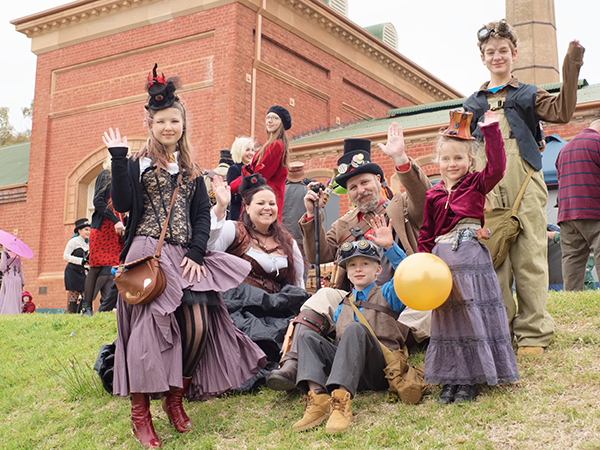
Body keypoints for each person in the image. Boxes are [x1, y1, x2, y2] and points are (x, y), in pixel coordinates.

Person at [105, 64, 266, 449]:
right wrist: (116, 159)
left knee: (199, 325)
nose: (168, 127)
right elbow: (124, 204)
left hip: (186, 256)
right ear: (151, 123)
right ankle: (140, 415)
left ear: (183, 124)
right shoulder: (136, 162)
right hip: (148, 254)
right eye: (161, 121)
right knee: (146, 335)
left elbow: (198, 216)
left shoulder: (192, 170)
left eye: (174, 121)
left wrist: (196, 251)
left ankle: (176, 399)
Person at [266, 124, 431, 392]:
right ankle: (293, 362)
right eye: (353, 187)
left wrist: (401, 160)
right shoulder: (345, 224)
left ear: (379, 181)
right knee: (320, 297)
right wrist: (313, 215)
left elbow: (423, 198)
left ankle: (386, 347)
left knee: (428, 305)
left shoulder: (401, 206)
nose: (360, 190)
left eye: (365, 182)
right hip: (359, 302)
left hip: (402, 297)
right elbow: (317, 254)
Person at [463, 19, 585, 356]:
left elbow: (563, 112)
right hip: (486, 189)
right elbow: (456, 145)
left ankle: (533, 334)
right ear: (483, 58)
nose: (497, 56)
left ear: (514, 53)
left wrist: (571, 64)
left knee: (530, 258)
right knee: (494, 260)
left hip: (525, 186)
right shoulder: (472, 104)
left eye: (503, 51)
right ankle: (500, 333)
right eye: (491, 52)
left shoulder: (530, 94)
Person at [418, 110, 519, 404]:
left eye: (458, 158)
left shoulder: (476, 183)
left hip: (471, 261)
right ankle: (451, 379)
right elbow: (426, 233)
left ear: (470, 160)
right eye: (446, 159)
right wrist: (422, 266)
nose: (452, 164)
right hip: (441, 266)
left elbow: (498, 167)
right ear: (438, 161)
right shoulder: (432, 195)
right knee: (449, 322)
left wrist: (490, 131)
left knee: (472, 317)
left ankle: (472, 379)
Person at [292, 218, 406, 434]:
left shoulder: (389, 293)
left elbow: (410, 274)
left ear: (378, 269)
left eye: (365, 264)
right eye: (352, 265)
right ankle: (318, 399)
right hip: (350, 370)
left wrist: (390, 247)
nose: (358, 269)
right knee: (307, 337)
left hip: (379, 370)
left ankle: (340, 402)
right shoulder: (342, 304)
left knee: (355, 328)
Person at [209, 174, 310, 388]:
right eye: (261, 203)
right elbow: (208, 246)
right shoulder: (234, 231)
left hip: (277, 308)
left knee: (298, 332)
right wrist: (220, 206)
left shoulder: (287, 241)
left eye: (272, 203)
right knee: (249, 331)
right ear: (246, 207)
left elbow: (298, 282)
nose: (268, 208)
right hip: (241, 307)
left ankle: (285, 368)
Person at [555, 120, 600, 291]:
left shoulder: (564, 149)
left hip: (567, 214)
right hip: (594, 210)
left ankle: (572, 299)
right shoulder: (597, 143)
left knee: (572, 258)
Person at [228, 106, 292, 221]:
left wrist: (230, 186)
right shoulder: (271, 145)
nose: (269, 120)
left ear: (282, 122)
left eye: (275, 118)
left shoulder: (276, 145)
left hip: (263, 205)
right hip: (264, 203)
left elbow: (258, 177)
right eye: (268, 117)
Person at [82, 157, 125, 317]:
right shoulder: (106, 174)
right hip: (102, 230)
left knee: (118, 267)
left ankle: (111, 307)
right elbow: (98, 202)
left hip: (117, 232)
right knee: (96, 267)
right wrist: (115, 221)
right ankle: (87, 308)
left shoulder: (123, 180)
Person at [63, 218, 90, 314]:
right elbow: (66, 256)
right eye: (86, 230)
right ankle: (72, 316)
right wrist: (80, 261)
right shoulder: (73, 241)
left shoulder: (87, 244)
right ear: (79, 230)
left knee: (86, 294)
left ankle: (84, 314)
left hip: (82, 272)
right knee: (74, 295)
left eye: (89, 230)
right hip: (72, 271)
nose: (88, 232)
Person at [226, 137, 255, 220]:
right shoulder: (234, 169)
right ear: (239, 151)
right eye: (247, 150)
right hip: (238, 214)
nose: (251, 153)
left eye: (252, 150)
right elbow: (232, 195)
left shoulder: (254, 169)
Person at [0, 249, 25, 315]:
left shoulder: (5, 254)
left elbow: (3, 268)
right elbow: (21, 271)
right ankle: (16, 312)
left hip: (8, 277)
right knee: (15, 296)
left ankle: (6, 312)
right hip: (17, 279)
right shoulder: (18, 256)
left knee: (7, 295)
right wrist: (23, 282)